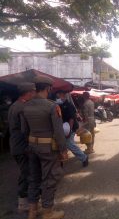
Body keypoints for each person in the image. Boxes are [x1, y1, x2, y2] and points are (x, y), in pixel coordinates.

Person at [22, 76, 68, 219]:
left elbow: (24, 130)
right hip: (48, 149)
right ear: (48, 88)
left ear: (36, 88)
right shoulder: (52, 106)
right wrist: (63, 149)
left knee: (33, 178)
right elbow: (59, 131)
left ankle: (32, 210)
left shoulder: (26, 105)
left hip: (31, 147)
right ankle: (48, 212)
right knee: (50, 178)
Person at [8, 82, 36, 212]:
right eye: (33, 92)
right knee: (28, 174)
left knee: (24, 173)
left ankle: (23, 201)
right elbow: (25, 130)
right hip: (22, 146)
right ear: (28, 92)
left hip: (15, 144)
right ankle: (24, 203)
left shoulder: (14, 105)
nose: (34, 94)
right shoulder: (22, 107)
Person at [56, 90, 88, 167]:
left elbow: (71, 119)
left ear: (62, 95)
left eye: (58, 94)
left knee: (69, 144)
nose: (57, 96)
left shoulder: (68, 105)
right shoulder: (58, 105)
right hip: (63, 127)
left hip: (70, 127)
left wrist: (69, 130)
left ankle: (84, 158)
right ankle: (61, 162)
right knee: (63, 144)